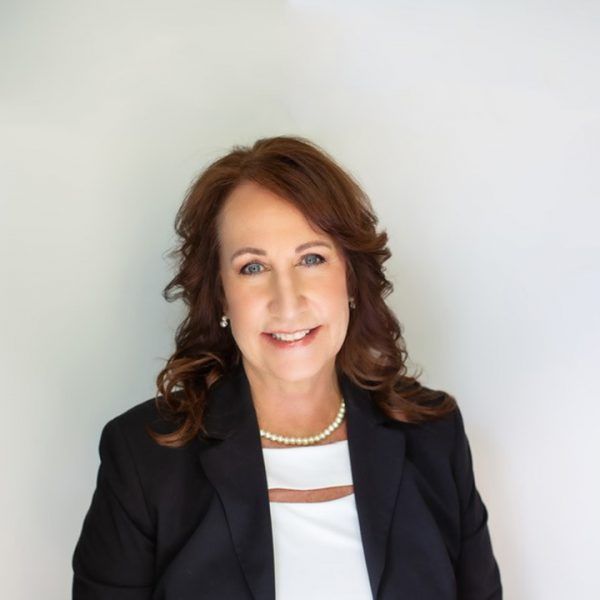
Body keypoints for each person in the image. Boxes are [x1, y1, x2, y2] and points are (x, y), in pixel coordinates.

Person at [71, 135, 502, 599]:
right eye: (252, 267)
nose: (287, 300)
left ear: (351, 280)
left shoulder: (433, 435)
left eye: (311, 259)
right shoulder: (144, 458)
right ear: (220, 296)